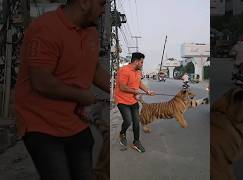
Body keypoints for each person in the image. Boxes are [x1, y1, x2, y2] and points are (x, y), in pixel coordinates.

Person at [14, 0, 108, 179]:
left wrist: (120, 89)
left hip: (76, 122)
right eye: (102, 4)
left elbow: (94, 69)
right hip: (41, 124)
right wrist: (82, 96)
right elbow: (41, 81)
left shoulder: (91, 33)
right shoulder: (45, 28)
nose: (103, 11)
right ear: (84, 3)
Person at [114, 52, 155, 153]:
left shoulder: (138, 72)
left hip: (133, 100)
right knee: (128, 120)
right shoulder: (124, 70)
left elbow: (139, 83)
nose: (142, 64)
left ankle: (136, 142)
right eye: (141, 62)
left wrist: (147, 91)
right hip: (122, 100)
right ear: (136, 61)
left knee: (136, 121)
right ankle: (122, 133)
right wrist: (135, 91)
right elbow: (123, 87)